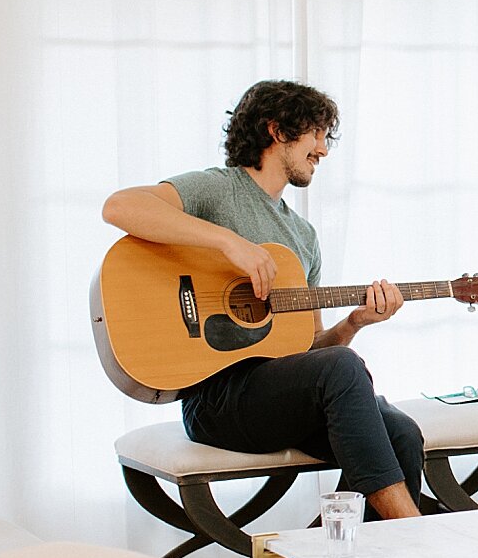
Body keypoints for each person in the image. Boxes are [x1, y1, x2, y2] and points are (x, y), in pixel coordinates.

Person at [102, 79, 424, 520]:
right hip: (215, 398)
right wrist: (227, 242)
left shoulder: (303, 238)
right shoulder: (217, 190)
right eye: (316, 134)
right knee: (350, 371)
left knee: (402, 432)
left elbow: (312, 353)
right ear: (277, 130)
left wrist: (354, 323)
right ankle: (418, 535)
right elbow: (120, 206)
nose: (323, 150)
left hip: (274, 396)